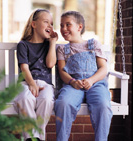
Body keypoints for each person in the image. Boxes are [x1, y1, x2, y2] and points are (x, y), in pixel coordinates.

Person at [54, 11, 113, 141]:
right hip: (73, 85)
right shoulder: (62, 50)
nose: (63, 29)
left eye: (68, 25)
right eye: (61, 25)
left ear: (79, 27)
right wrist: (72, 82)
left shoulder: (93, 44)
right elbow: (62, 72)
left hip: (96, 84)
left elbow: (103, 68)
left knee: (103, 105)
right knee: (63, 103)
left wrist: (91, 80)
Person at [14, 9, 58, 141]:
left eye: (51, 23)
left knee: (46, 100)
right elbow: (24, 68)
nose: (50, 26)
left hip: (45, 84)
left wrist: (53, 43)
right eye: (46, 22)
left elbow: (50, 64)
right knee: (25, 99)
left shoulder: (49, 45)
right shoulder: (23, 45)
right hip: (26, 82)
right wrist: (32, 84)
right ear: (34, 24)